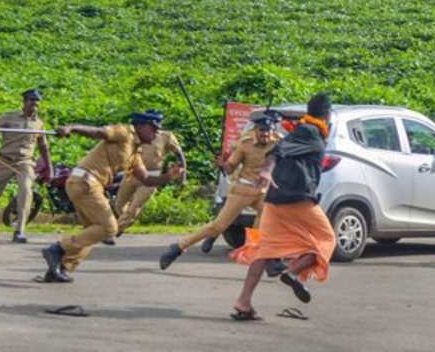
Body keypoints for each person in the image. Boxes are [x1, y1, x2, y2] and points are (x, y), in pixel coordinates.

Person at [40, 110, 184, 283]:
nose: (157, 132)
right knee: (109, 229)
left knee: (93, 232)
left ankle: (59, 269)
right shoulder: (124, 132)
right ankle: (57, 249)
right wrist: (72, 128)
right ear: (140, 126)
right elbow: (98, 132)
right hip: (85, 182)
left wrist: (168, 176)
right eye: (153, 128)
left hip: (88, 185)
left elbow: (146, 179)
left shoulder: (135, 153)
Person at [227, 93, 336, 321]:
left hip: (276, 200)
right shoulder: (309, 131)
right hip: (297, 199)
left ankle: (243, 302)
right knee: (326, 239)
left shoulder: (307, 131)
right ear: (327, 115)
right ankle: (293, 272)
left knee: (265, 249)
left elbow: (294, 155)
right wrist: (267, 170)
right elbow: (279, 150)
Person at [158, 115, 280, 268]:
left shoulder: (277, 143)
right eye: (262, 131)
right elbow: (229, 170)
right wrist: (222, 164)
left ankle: (255, 253)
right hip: (242, 191)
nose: (265, 135)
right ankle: (178, 247)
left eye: (269, 131)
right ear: (255, 131)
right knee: (218, 226)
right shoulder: (244, 145)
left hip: (262, 192)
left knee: (266, 219)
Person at [0, 89, 53, 243]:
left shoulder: (39, 124)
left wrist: (49, 168)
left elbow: (43, 147)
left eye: (37, 102)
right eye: (32, 101)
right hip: (5, 161)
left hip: (25, 162)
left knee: (26, 192)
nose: (35, 104)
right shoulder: (9, 117)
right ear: (24, 102)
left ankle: (19, 230)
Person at [108, 115, 184, 244]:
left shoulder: (166, 136)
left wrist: (183, 175)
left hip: (152, 176)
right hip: (132, 174)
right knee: (119, 205)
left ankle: (116, 230)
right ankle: (126, 220)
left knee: (135, 206)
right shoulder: (136, 135)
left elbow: (179, 154)